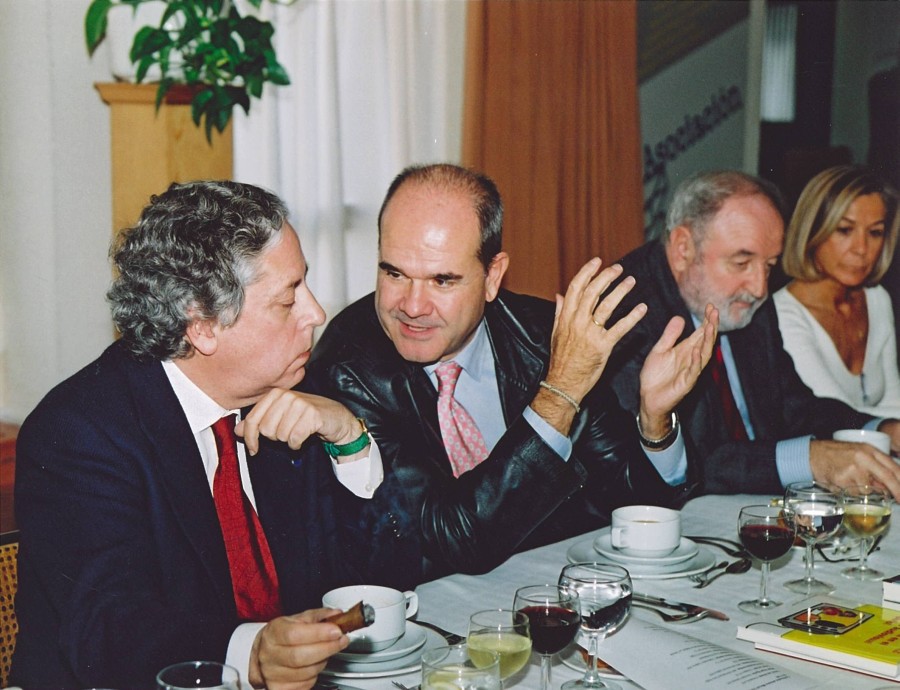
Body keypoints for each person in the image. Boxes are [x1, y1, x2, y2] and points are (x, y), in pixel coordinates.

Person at [11, 181, 419, 690]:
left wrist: (350, 439)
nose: (316, 313)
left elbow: (383, 582)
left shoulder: (290, 396)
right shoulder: (80, 433)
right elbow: (111, 632)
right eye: (288, 298)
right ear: (202, 324)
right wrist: (253, 654)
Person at [308, 163, 718, 578]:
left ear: (493, 277)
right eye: (394, 273)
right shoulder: (348, 369)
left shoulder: (544, 337)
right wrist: (558, 395)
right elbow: (452, 539)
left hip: (555, 589)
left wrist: (654, 420)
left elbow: (631, 506)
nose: (412, 307)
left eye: (442, 281)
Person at [604, 169, 900, 500]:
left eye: (770, 265)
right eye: (741, 263)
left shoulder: (742, 298)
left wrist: (878, 429)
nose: (760, 288)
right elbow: (680, 460)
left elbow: (793, 406)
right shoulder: (625, 315)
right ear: (683, 248)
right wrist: (809, 459)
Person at [774, 166, 900, 417]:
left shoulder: (876, 298)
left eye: (875, 232)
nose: (861, 248)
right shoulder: (783, 316)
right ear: (813, 230)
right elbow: (835, 419)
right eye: (844, 230)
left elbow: (893, 401)